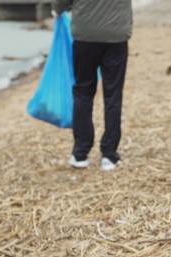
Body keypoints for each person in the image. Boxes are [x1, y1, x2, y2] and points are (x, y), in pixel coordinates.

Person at [53, 0, 133, 171]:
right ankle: (109, 155)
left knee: (83, 92)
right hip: (116, 36)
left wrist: (57, 10)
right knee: (113, 95)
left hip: (85, 37)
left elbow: (61, 3)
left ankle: (80, 154)